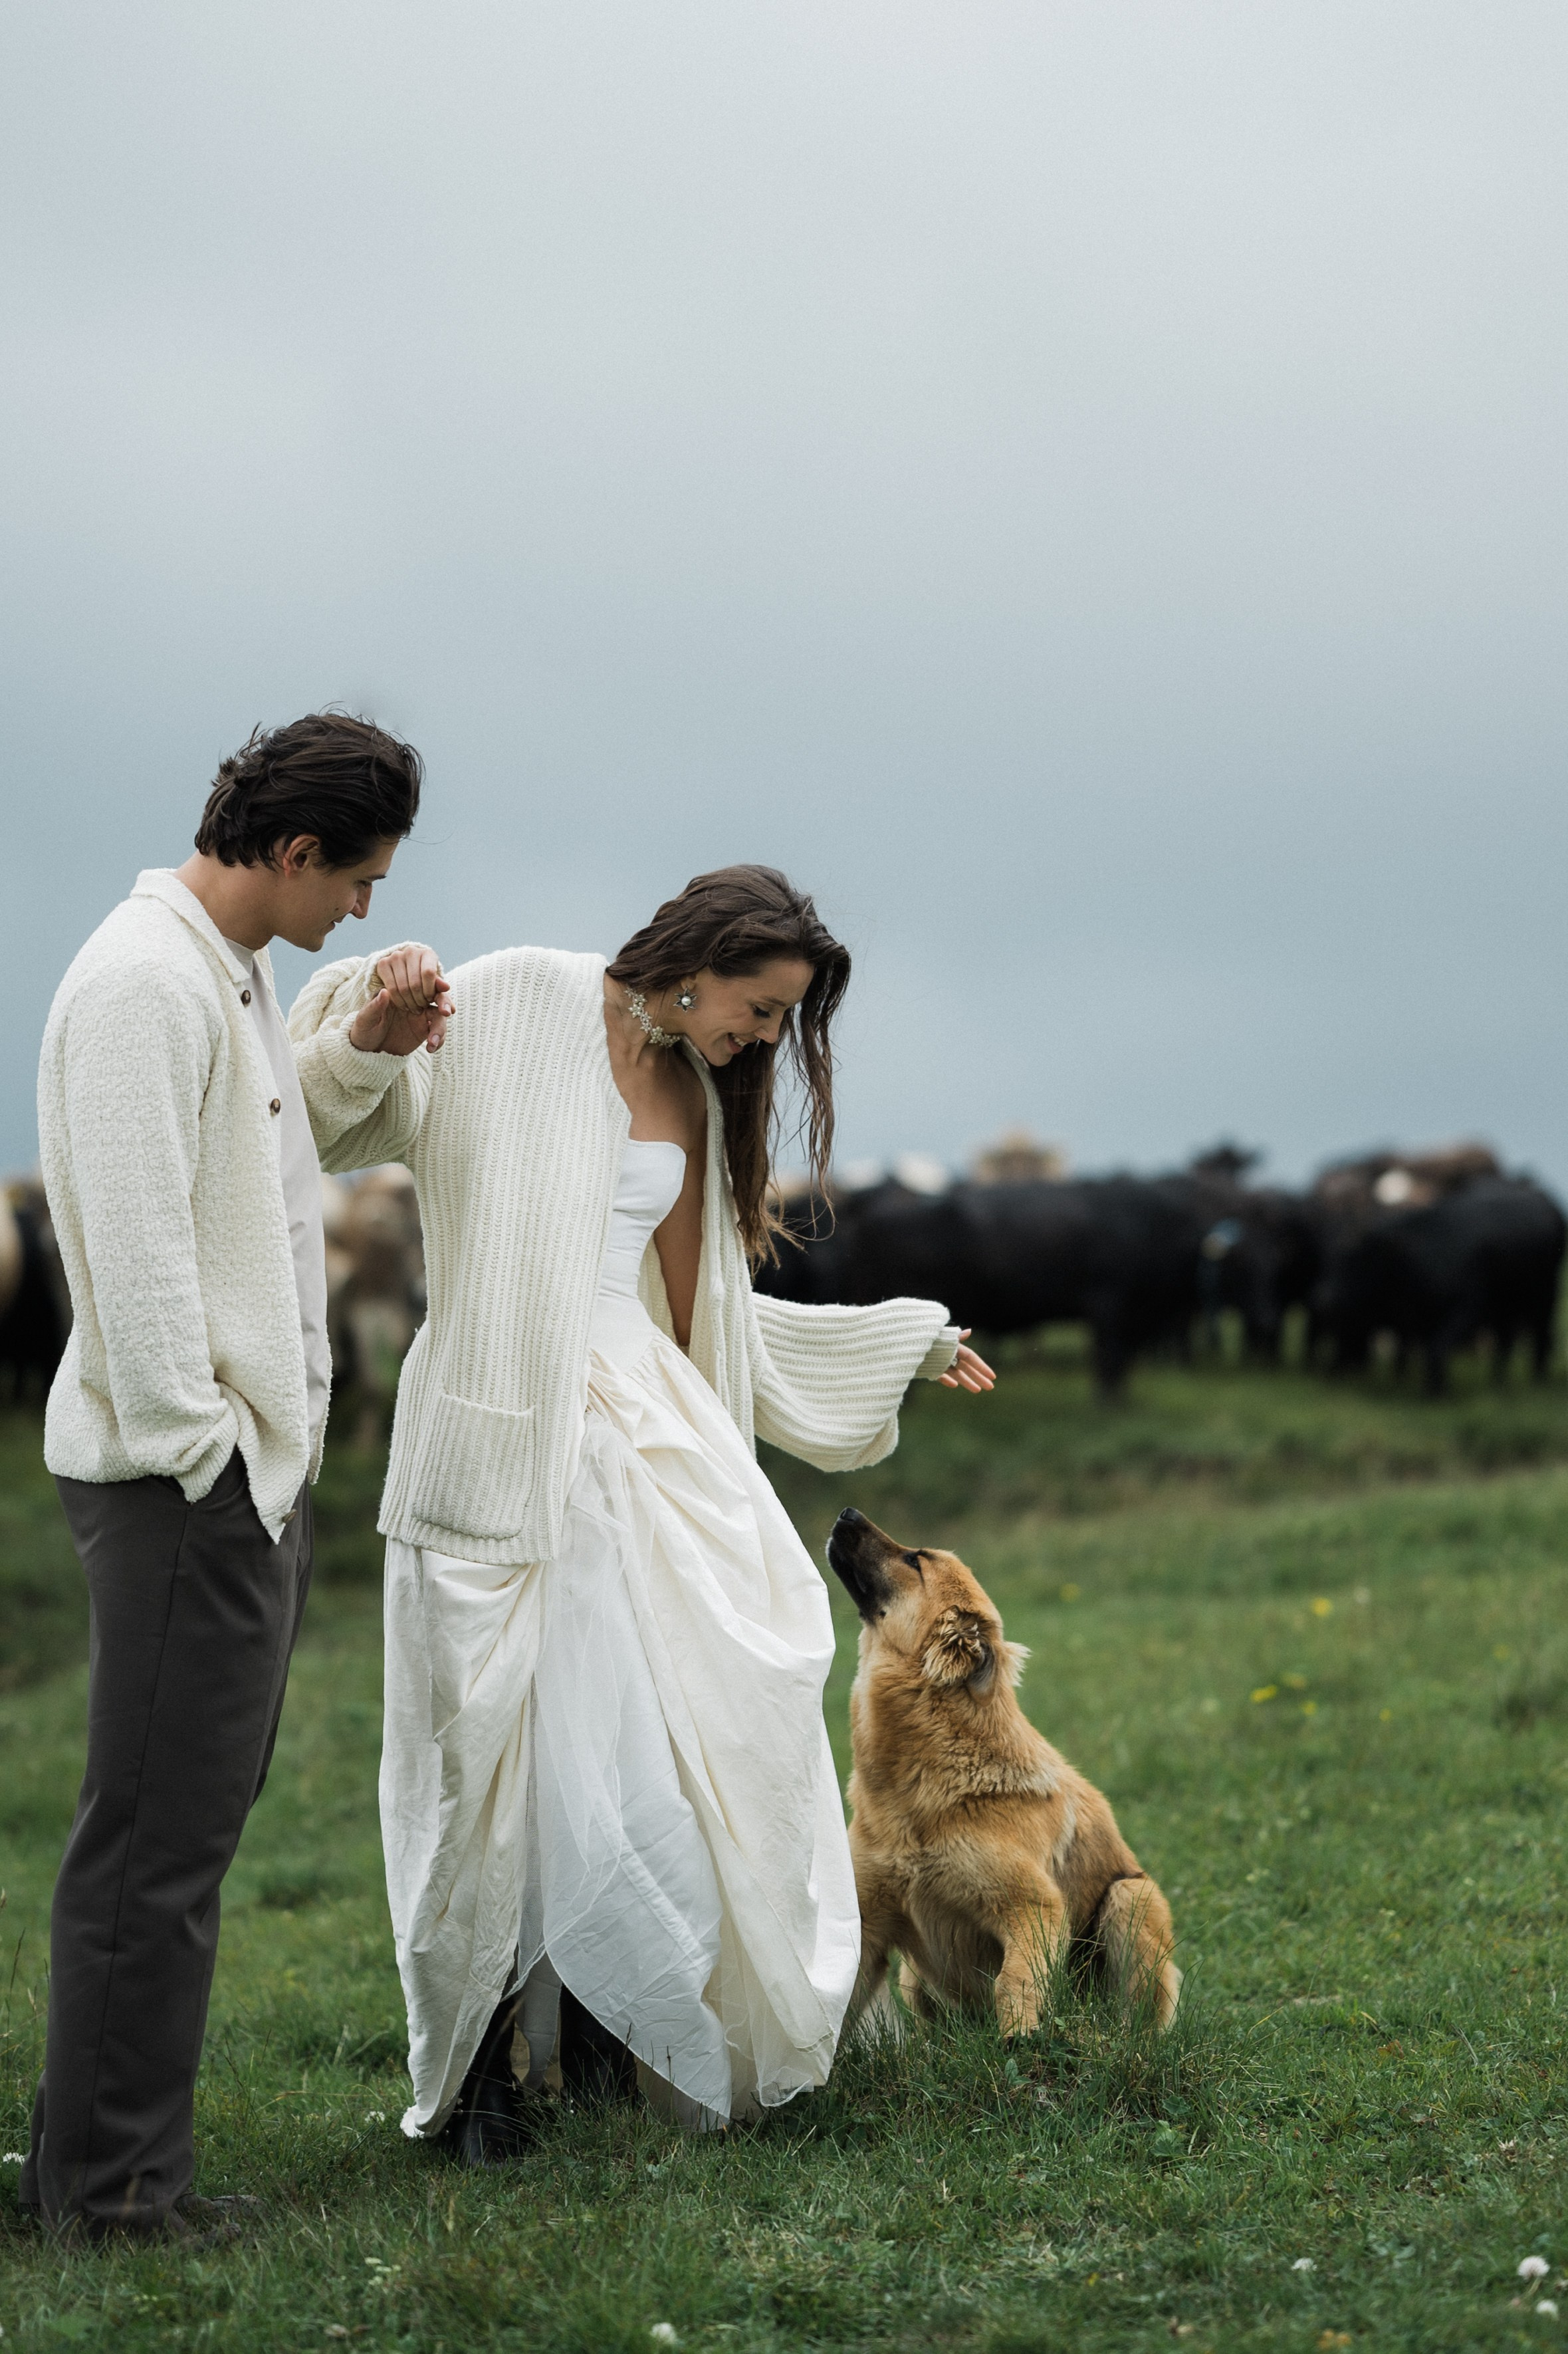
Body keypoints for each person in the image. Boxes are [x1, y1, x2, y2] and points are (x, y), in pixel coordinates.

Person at [289, 864, 996, 2158]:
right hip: (494, 1431)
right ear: (699, 959)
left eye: (781, 1021)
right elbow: (335, 1121)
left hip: (644, 1444)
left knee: (644, 1752)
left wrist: (899, 1342)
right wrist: (372, 1018)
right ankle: (484, 2072)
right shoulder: (511, 999)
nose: (763, 1038)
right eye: (759, 1007)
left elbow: (710, 1312)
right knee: (485, 1760)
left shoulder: (698, 1095)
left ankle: (613, 2034)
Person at [23, 713, 452, 2242]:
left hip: (230, 1478)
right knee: (155, 1850)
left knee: (174, 1835)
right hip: (183, 1484)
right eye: (358, 878)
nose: (365, 907)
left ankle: (83, 2166)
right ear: (293, 850)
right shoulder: (143, 982)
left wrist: (366, 1045)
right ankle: (117, 2197)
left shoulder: (224, 968)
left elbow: (266, 1139)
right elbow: (135, 1254)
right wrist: (207, 1456)